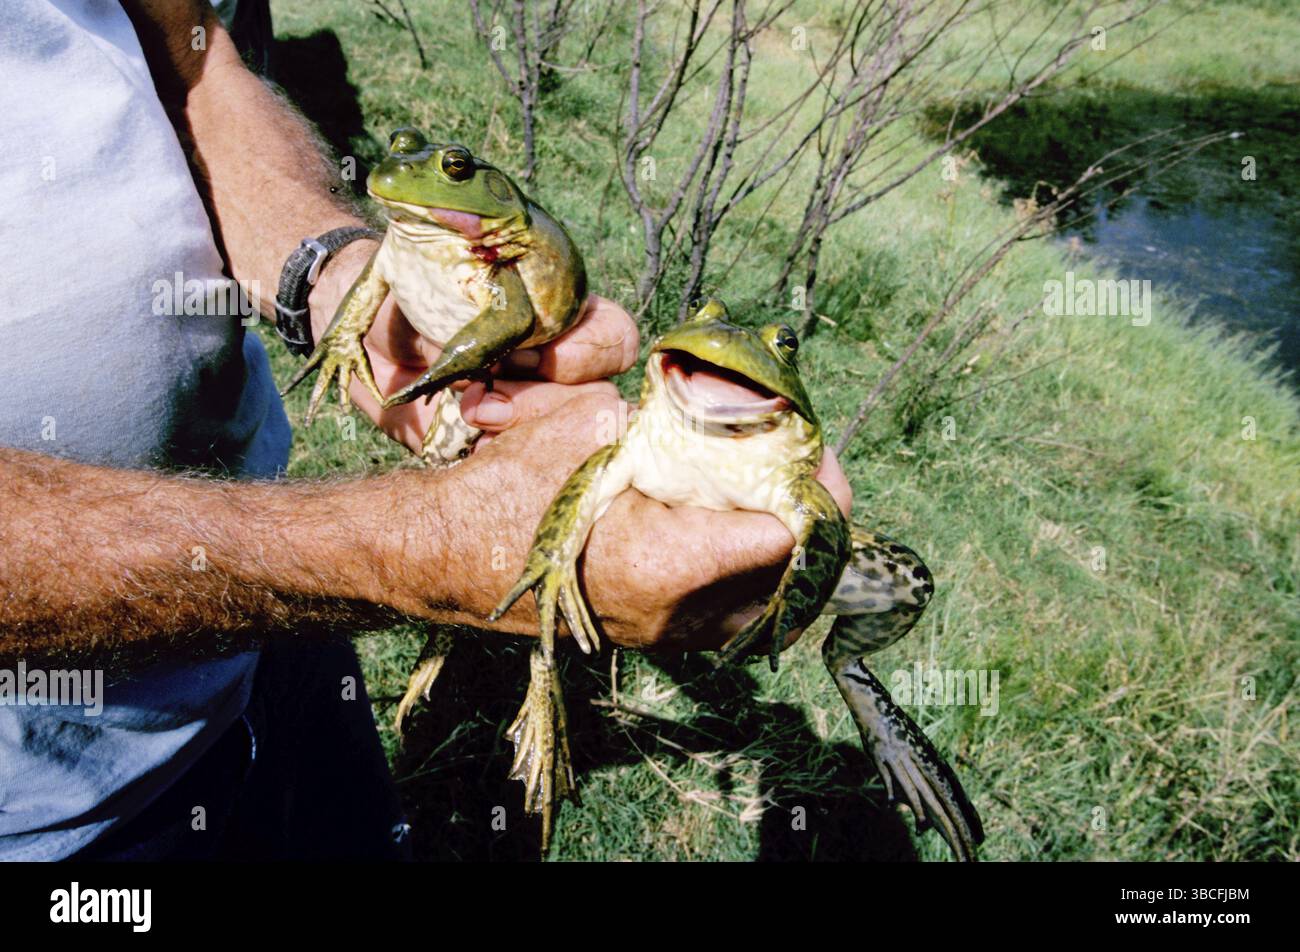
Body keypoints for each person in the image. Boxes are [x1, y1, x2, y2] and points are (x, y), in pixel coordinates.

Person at [0, 0, 850, 860]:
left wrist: (330, 277)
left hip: (285, 625)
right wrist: (420, 552)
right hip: (70, 817)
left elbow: (198, 65)